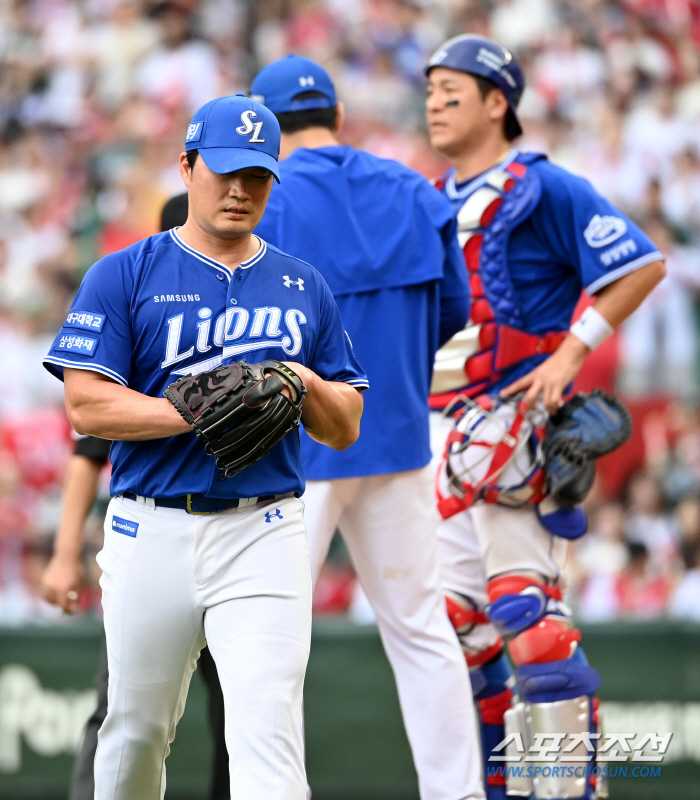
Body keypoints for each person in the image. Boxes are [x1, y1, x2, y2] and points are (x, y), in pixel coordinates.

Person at [42, 94, 367, 800]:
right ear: (187, 167)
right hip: (149, 524)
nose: (241, 189)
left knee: (267, 733)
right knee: (133, 734)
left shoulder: (303, 286)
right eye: (225, 171)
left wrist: (302, 379)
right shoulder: (124, 273)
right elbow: (85, 403)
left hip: (265, 526)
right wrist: (195, 411)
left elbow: (345, 424)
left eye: (257, 175)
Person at [425, 35, 666, 800]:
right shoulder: (429, 198)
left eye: (451, 91)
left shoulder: (541, 186)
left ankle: (569, 791)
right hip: (439, 437)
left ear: (499, 102)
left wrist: (569, 356)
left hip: (515, 425)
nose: (434, 103)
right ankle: (499, 789)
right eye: (429, 90)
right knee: (459, 633)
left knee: (530, 620)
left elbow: (639, 265)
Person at [251, 55, 486, 800]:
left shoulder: (266, 199)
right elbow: (455, 308)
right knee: (423, 632)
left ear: (262, 126)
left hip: (297, 452)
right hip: (396, 440)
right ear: (338, 115)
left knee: (271, 643)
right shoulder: (415, 189)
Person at [40, 195, 231, 800]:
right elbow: (86, 451)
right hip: (152, 542)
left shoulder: (248, 324)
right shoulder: (142, 332)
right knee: (121, 709)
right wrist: (66, 553)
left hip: (239, 540)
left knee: (240, 719)